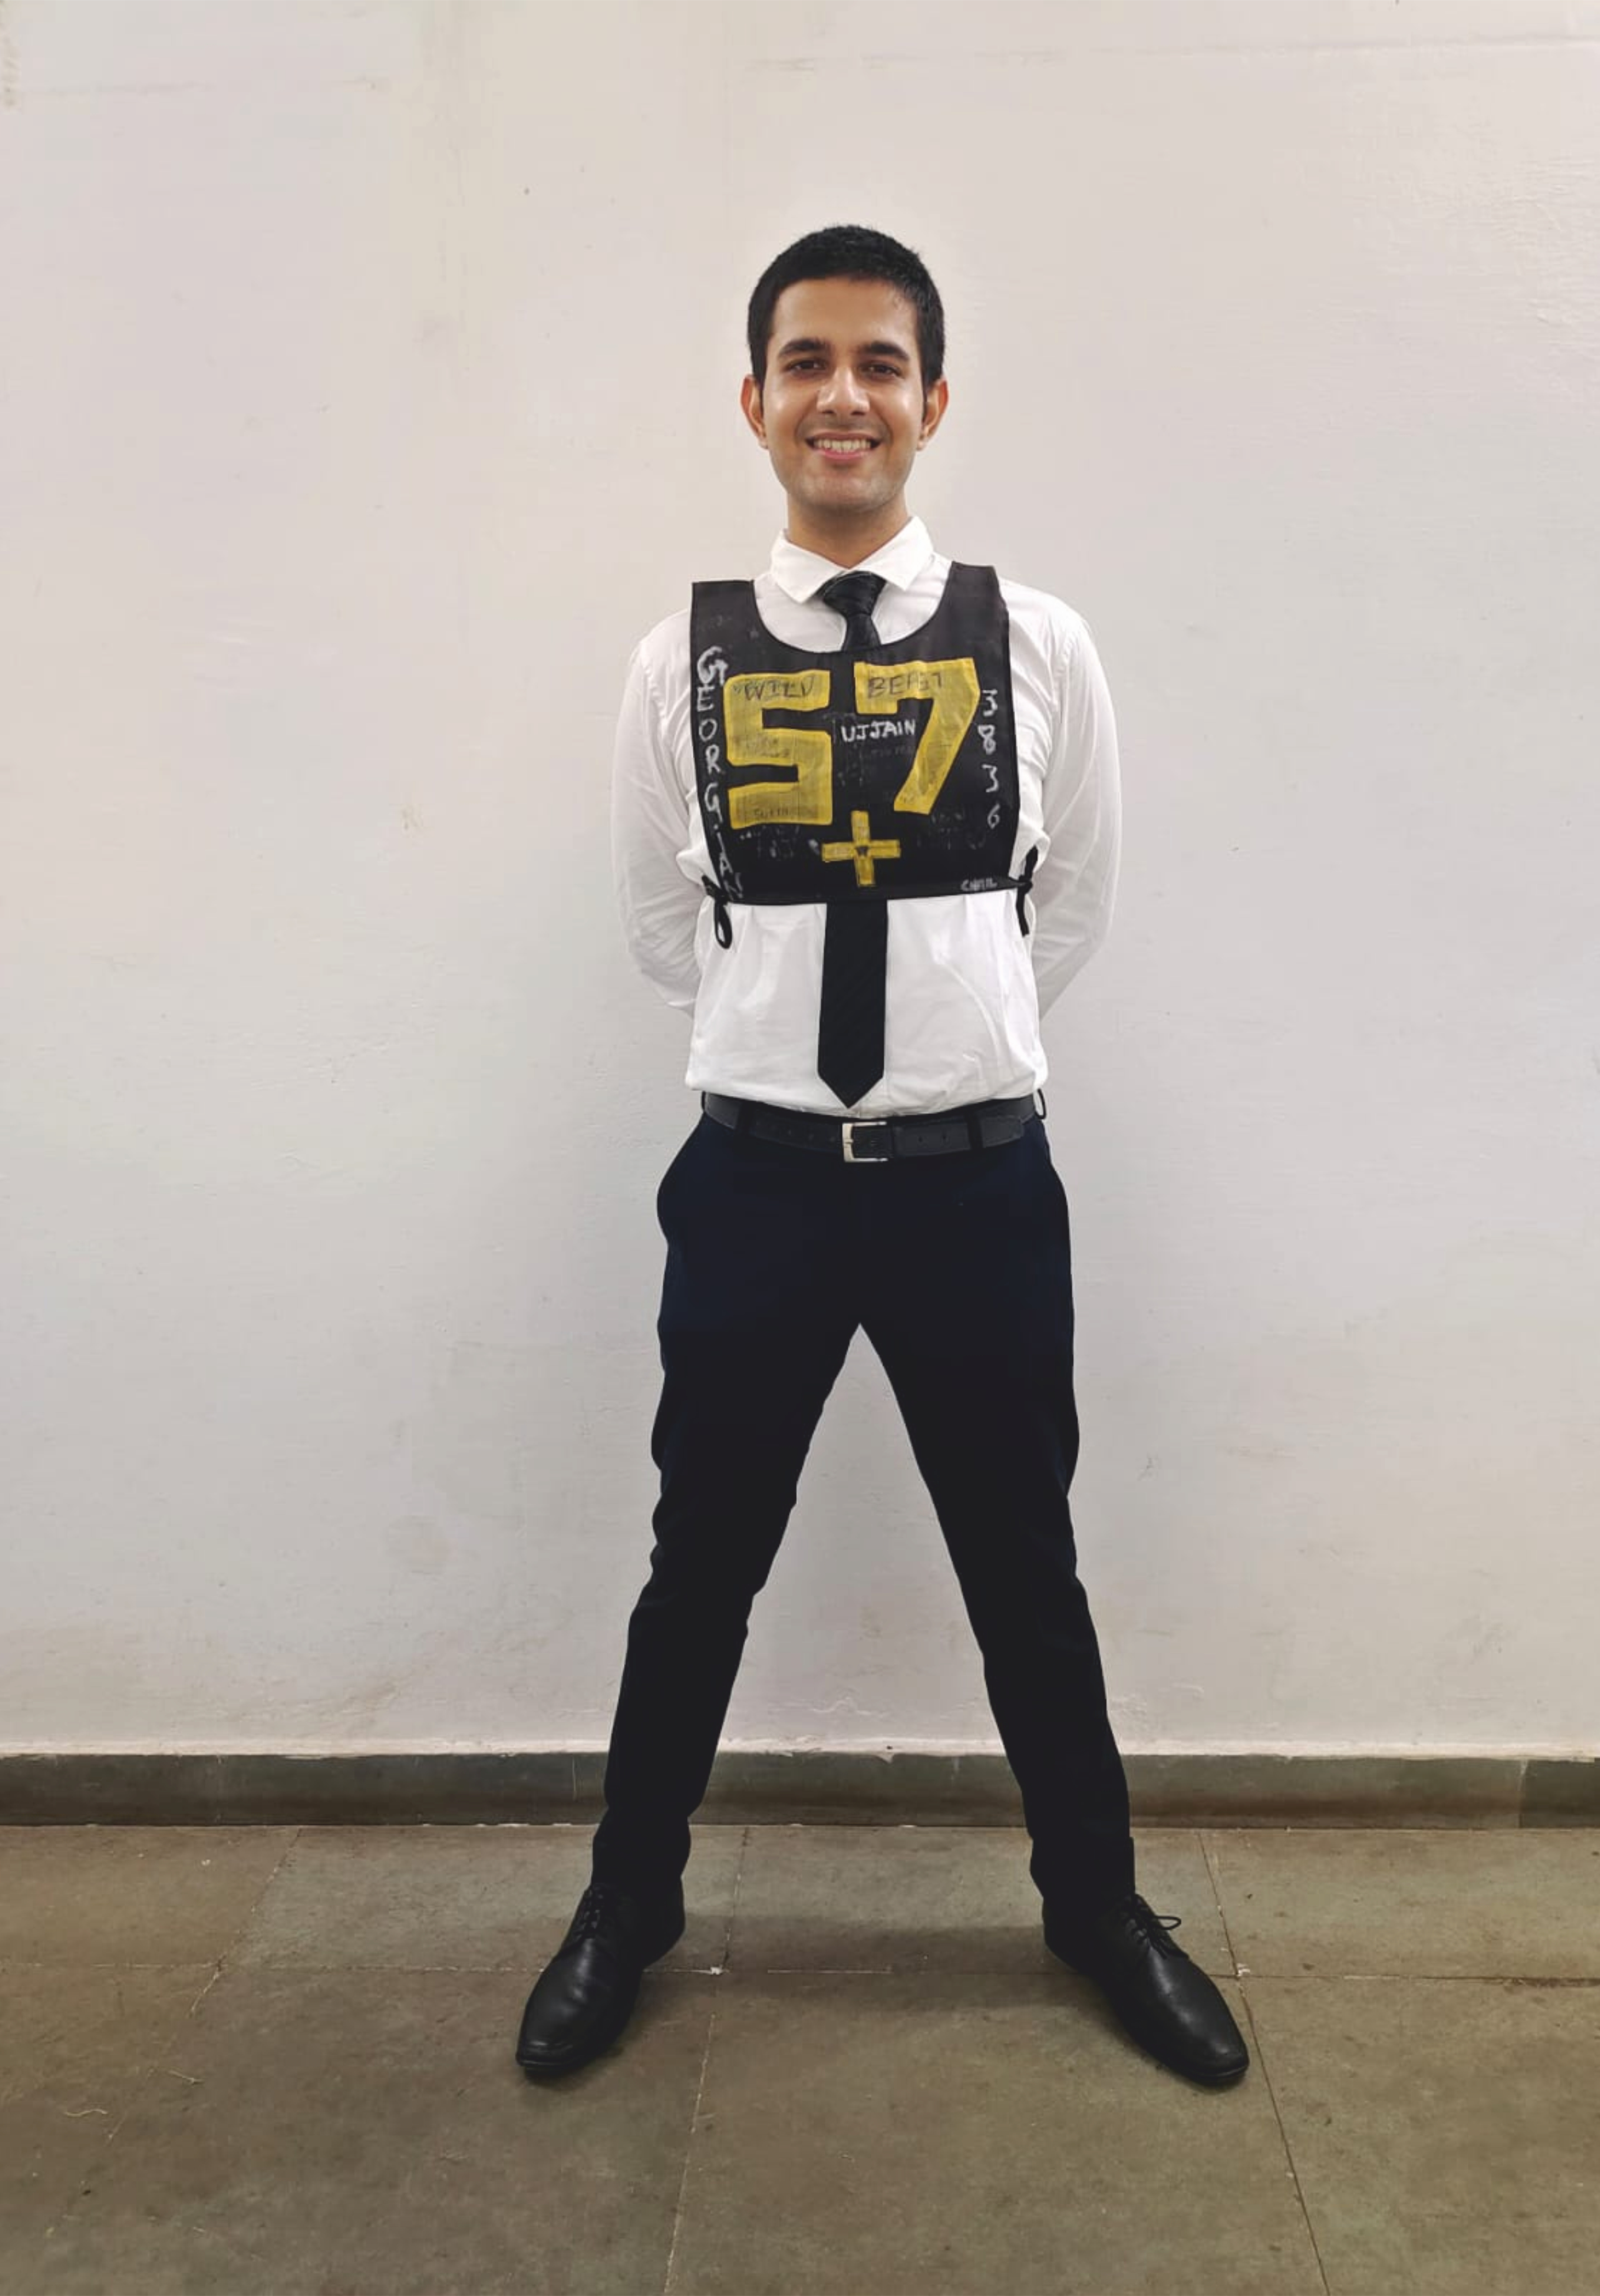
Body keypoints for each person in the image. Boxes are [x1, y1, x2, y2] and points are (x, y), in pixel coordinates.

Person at [516, 226, 1248, 2089]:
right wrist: (793, 1057)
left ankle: (1097, 1908)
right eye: (806, 362)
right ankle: (626, 1904)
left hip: (972, 1190)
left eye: (878, 363)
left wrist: (945, 1053)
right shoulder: (680, 660)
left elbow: (1067, 905)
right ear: (754, 401)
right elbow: (661, 927)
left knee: (1024, 1566)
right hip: (758, 1186)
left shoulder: (1035, 643)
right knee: (699, 1565)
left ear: (930, 402)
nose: (841, 397)